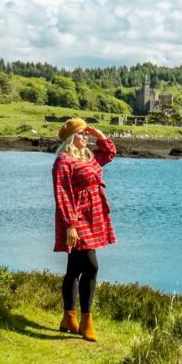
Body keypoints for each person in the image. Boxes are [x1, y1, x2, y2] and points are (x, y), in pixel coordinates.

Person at [52, 117, 117, 342]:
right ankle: (86, 321)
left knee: (74, 268)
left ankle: (69, 318)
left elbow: (109, 153)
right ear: (71, 138)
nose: (85, 136)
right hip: (76, 218)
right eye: (81, 133)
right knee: (91, 265)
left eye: (86, 133)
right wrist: (71, 224)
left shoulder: (88, 157)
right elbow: (62, 194)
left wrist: (100, 135)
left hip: (94, 216)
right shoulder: (63, 161)